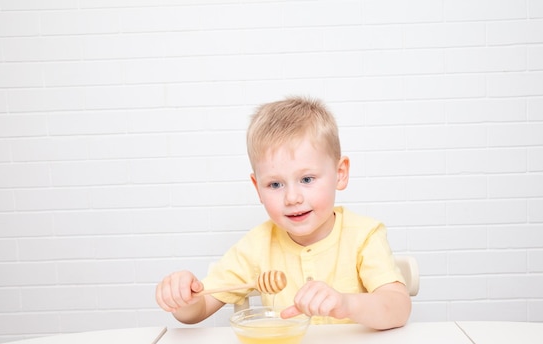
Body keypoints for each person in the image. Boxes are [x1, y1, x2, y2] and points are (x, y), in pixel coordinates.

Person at [155, 96, 412, 330]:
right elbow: (199, 309)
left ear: (340, 173)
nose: (292, 198)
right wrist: (184, 299)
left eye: (307, 179)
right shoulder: (257, 246)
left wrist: (346, 305)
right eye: (275, 185)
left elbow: (398, 308)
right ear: (258, 188)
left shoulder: (364, 236)